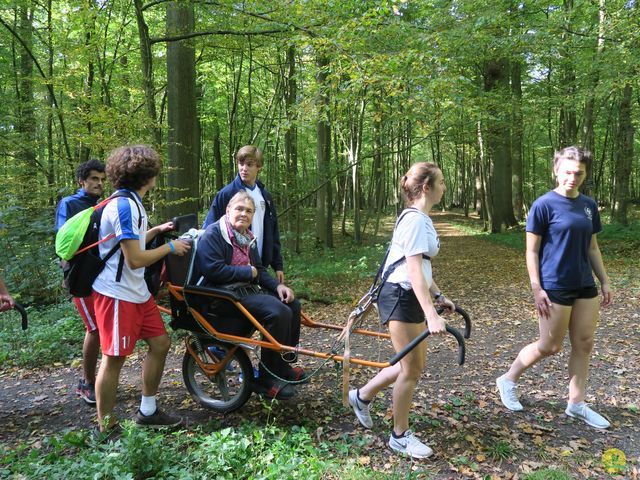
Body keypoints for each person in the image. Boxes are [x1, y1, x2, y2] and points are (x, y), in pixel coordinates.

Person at [496, 146, 613, 429]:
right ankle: (508, 379)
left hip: (585, 284)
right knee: (550, 345)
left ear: (585, 174)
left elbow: (592, 247)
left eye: (579, 173)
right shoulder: (543, 205)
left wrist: (605, 280)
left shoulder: (588, 205)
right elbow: (531, 252)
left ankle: (576, 404)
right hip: (554, 285)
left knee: (584, 344)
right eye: (567, 172)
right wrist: (537, 288)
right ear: (556, 171)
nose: (572, 177)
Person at [348, 162, 453, 459]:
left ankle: (362, 395)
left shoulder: (420, 218)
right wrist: (430, 312)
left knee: (410, 365)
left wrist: (439, 295)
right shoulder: (417, 221)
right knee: (412, 369)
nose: (445, 187)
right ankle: (399, 436)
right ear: (427, 187)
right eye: (441, 182)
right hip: (400, 296)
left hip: (406, 294)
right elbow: (413, 271)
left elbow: (420, 266)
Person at [92, 145, 191, 432]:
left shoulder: (132, 202)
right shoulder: (123, 206)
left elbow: (132, 241)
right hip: (116, 295)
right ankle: (106, 428)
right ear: (147, 175)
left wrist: (155, 232)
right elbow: (134, 259)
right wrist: (170, 247)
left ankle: (148, 411)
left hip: (136, 293)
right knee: (114, 358)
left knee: (160, 343)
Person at [193, 191, 305, 400]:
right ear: (228, 210)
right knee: (277, 312)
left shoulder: (246, 236)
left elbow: (259, 270)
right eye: (239, 209)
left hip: (243, 292)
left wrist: (278, 286)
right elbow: (213, 270)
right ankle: (266, 377)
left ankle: (282, 364)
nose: (244, 214)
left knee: (292, 304)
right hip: (220, 298)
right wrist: (247, 272)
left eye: (249, 211)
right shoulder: (213, 234)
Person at [55, 159, 107, 404]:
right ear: (82, 181)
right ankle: (86, 383)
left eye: (102, 179)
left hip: (103, 275)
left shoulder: (103, 205)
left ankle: (102, 379)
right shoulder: (70, 203)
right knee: (94, 329)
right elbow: (63, 242)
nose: (99, 183)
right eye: (94, 179)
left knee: (104, 328)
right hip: (81, 277)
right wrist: (69, 275)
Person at [202, 145, 285, 284]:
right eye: (241, 163)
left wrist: (278, 265)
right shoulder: (227, 194)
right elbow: (209, 230)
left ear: (259, 166)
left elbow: (273, 231)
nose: (244, 168)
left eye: (249, 164)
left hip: (260, 264)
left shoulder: (265, 196)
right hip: (235, 269)